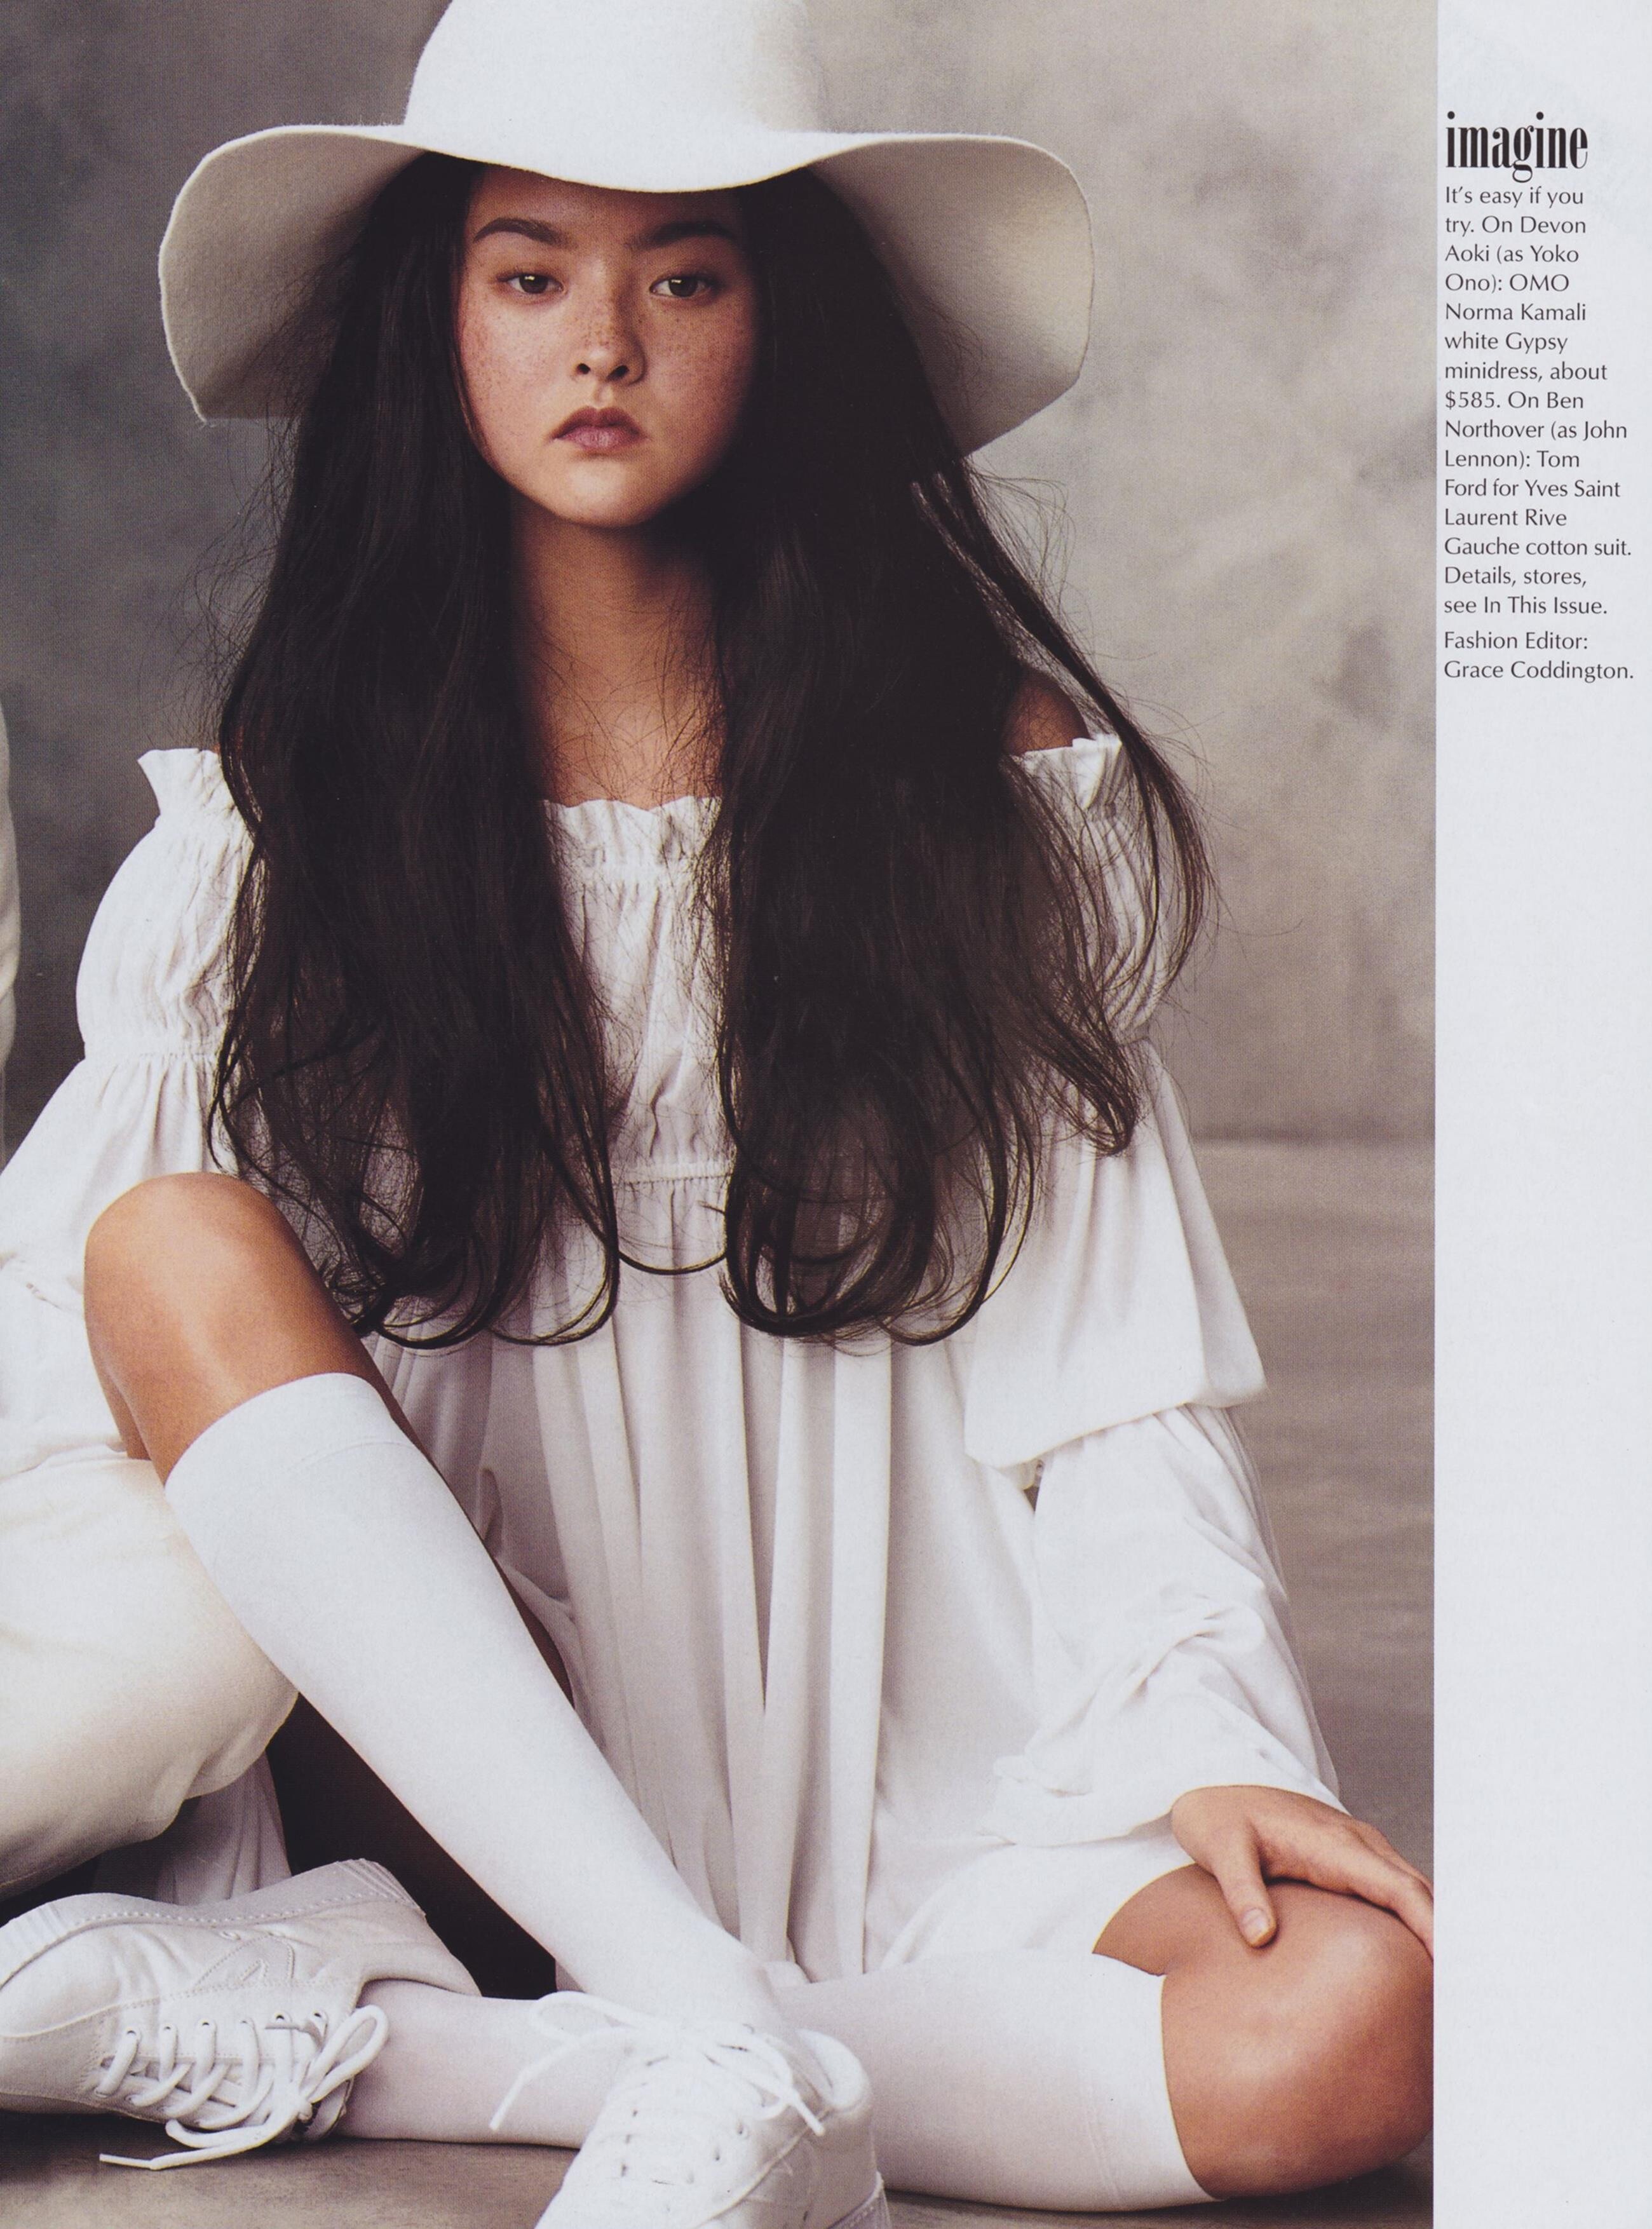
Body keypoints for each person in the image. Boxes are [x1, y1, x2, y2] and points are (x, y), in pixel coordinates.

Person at [0, 0, 1433, 2219]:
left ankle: (513, 2053)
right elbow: (99, 1338)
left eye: (686, 274)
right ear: (440, 325)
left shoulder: (982, 784)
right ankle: (696, 2006)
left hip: (916, 1741)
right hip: (473, 1763)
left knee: (1356, 2024)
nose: (605, 344)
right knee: (163, 1238)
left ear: (787, 329)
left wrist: (1206, 1734)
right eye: (530, 273)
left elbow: (1115, 1366)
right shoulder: (302, 805)